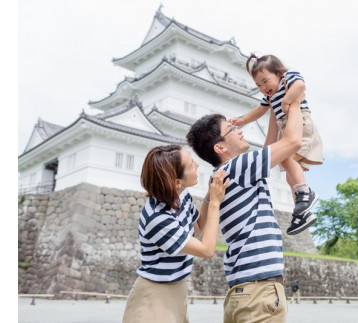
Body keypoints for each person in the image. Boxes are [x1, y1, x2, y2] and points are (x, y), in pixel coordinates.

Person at [186, 100, 304, 322]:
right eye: (231, 129)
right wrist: (294, 101)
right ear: (220, 148)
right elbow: (293, 141)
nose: (239, 131)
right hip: (259, 291)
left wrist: (272, 107)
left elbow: (270, 147)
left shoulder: (222, 174)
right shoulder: (237, 167)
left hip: (243, 290)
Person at [122, 144, 229, 323]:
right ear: (177, 182)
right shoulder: (157, 218)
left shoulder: (181, 197)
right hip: (154, 296)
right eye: (191, 164)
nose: (197, 165)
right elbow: (207, 250)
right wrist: (215, 203)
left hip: (177, 289)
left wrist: (210, 195)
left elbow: (197, 226)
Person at [228, 53, 323, 235]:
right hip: (285, 126)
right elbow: (259, 110)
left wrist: (287, 100)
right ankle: (303, 212)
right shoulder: (270, 97)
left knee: (284, 156)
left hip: (300, 123)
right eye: (258, 85)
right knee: (289, 176)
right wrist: (242, 120)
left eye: (265, 81)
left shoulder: (288, 78)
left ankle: (305, 191)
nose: (263, 87)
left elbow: (301, 85)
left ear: (279, 73)